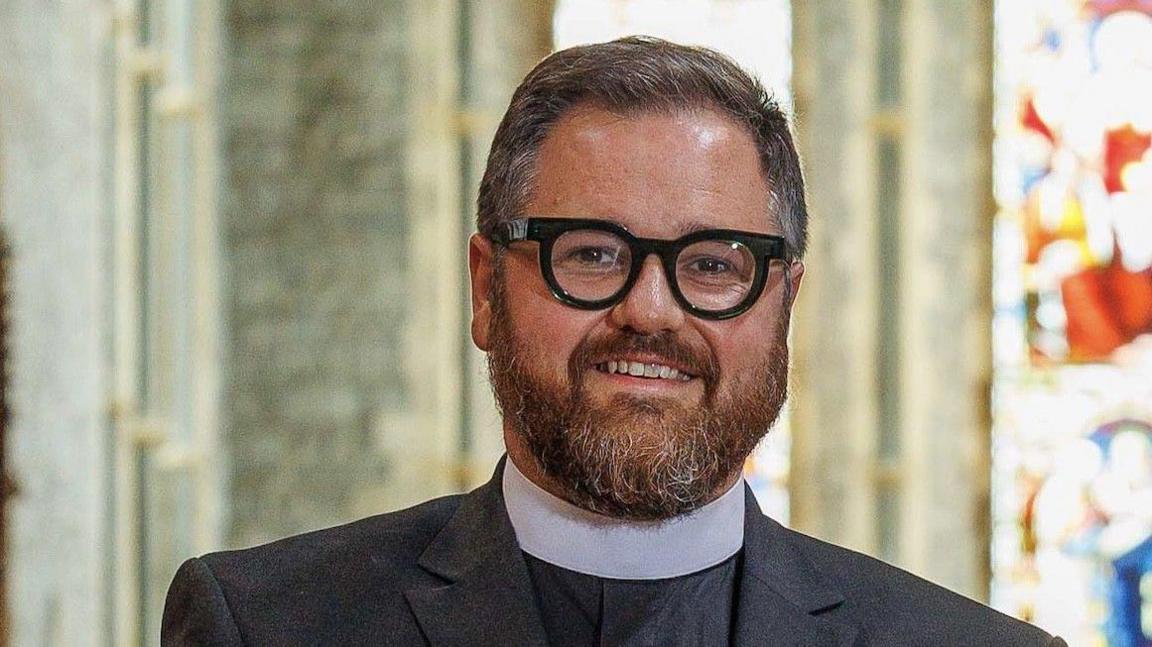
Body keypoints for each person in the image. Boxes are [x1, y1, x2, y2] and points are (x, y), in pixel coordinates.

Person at [162, 37, 1066, 646]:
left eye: (713, 264)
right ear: (486, 288)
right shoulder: (268, 623)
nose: (651, 309)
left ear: (785, 301)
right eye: (591, 253)